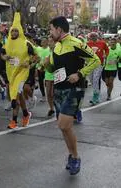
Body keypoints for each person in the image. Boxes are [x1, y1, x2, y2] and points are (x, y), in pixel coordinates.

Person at [46, 16, 100, 175]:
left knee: (63, 125)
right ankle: (71, 154)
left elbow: (95, 60)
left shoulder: (76, 43)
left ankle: (76, 157)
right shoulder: (56, 47)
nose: (50, 32)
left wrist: (80, 74)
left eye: (51, 29)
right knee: (64, 128)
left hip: (74, 89)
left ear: (59, 29)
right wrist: (47, 65)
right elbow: (53, 69)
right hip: (59, 89)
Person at [1, 12, 36, 129]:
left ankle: (14, 120)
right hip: (11, 72)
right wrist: (4, 57)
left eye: (16, 31)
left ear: (20, 31)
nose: (14, 33)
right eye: (12, 31)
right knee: (18, 94)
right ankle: (26, 114)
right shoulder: (7, 43)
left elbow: (36, 56)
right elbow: (2, 53)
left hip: (22, 72)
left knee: (15, 94)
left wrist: (29, 62)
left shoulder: (26, 43)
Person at [87, 32, 109, 104]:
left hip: (99, 64)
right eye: (91, 37)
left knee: (96, 79)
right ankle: (97, 94)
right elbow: (84, 52)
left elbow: (107, 50)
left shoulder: (102, 43)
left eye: (94, 36)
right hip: (90, 64)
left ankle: (95, 96)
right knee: (91, 80)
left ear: (97, 37)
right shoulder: (88, 44)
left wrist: (105, 55)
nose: (93, 38)